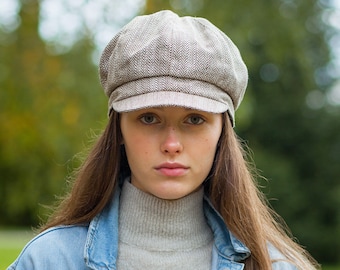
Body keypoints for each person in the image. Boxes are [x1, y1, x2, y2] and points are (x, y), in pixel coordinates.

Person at [8, 10, 319, 270]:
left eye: (195, 119)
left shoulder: (278, 266)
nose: (171, 143)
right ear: (119, 130)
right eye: (148, 118)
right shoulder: (49, 260)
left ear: (222, 133)